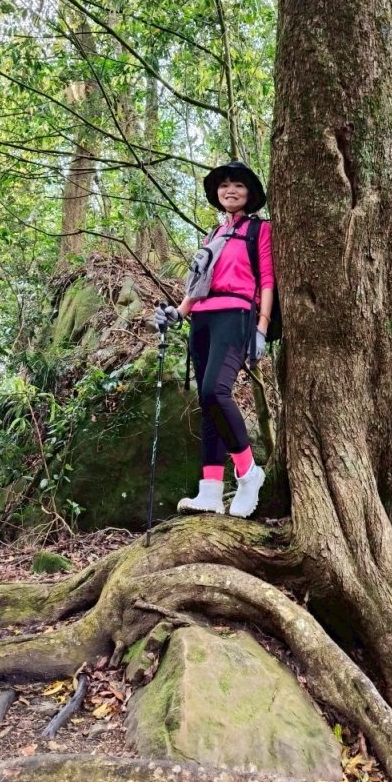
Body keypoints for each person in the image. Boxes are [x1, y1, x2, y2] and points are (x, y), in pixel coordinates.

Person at [154, 160, 274, 518]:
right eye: (224, 186)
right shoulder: (213, 236)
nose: (230, 190)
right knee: (206, 405)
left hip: (236, 315)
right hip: (202, 319)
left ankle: (249, 471)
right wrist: (178, 312)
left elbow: (267, 280)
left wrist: (262, 328)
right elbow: (197, 285)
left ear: (249, 194)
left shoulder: (259, 230)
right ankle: (210, 491)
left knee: (214, 392)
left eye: (238, 185)